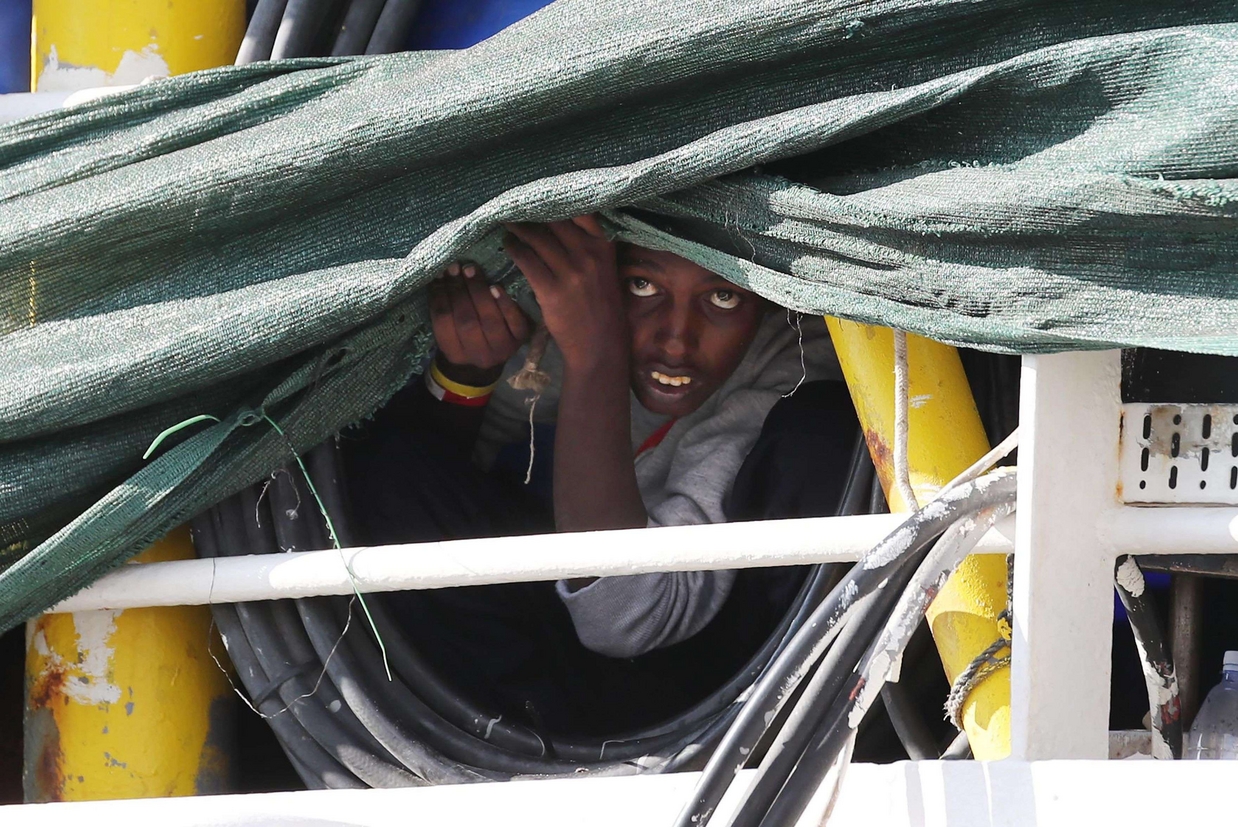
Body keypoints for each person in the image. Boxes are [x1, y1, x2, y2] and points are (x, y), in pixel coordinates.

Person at [345, 215, 855, 733]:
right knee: (389, 466)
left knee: (822, 434)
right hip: (527, 660)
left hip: (702, 679)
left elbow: (626, 619)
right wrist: (466, 376)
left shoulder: (794, 356)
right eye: (642, 285)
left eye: (723, 297)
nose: (676, 343)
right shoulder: (546, 312)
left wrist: (596, 352)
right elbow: (420, 488)